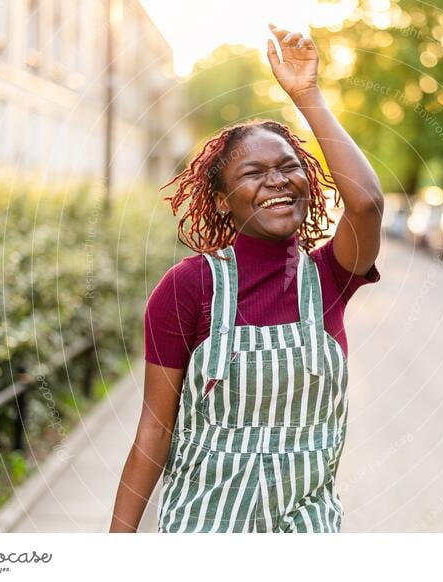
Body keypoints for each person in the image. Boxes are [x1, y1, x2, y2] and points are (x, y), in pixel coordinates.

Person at [110, 23, 383, 533]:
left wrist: (307, 94)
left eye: (288, 166)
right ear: (221, 200)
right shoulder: (189, 288)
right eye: (253, 173)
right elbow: (154, 428)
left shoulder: (329, 276)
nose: (277, 180)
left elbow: (365, 203)